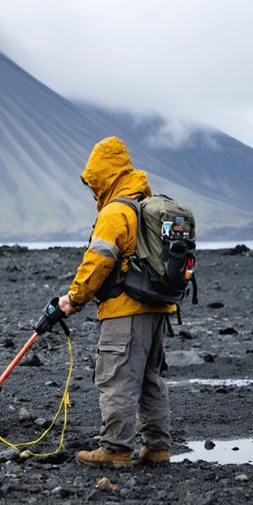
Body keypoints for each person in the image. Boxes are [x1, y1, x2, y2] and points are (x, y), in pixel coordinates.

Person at [57, 136, 175, 468]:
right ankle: (157, 448)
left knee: (117, 378)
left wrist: (74, 299)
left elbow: (98, 261)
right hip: (158, 309)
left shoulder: (116, 211)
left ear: (103, 174)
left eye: (94, 180)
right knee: (150, 379)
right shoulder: (145, 205)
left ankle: (116, 450)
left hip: (126, 310)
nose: (92, 187)